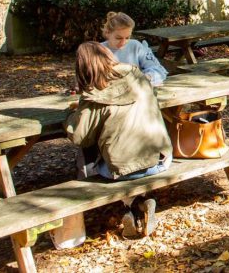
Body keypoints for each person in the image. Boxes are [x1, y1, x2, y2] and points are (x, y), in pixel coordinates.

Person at [65, 42, 173, 238]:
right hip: (161, 159)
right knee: (124, 156)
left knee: (92, 156)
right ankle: (140, 204)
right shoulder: (137, 76)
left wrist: (71, 116)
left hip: (124, 170)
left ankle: (129, 207)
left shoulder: (95, 93)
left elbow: (80, 137)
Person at [101, 12, 168, 86]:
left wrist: (146, 77)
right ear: (107, 33)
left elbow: (159, 70)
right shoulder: (97, 51)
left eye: (127, 38)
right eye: (118, 38)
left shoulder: (135, 46)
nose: (123, 42)